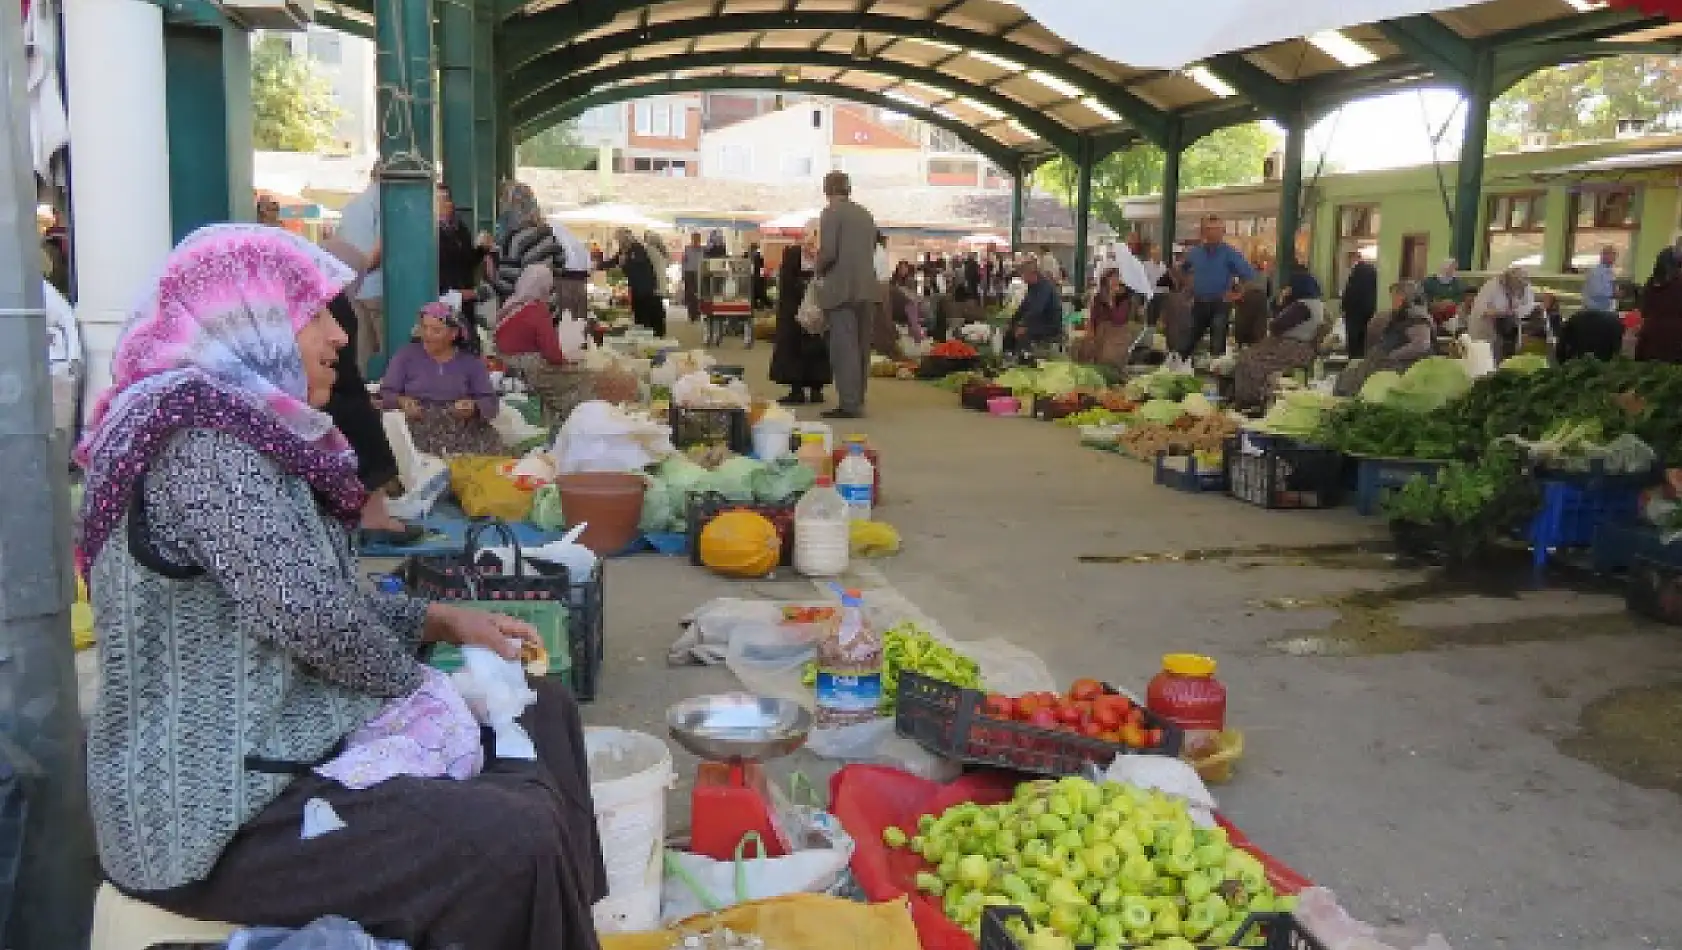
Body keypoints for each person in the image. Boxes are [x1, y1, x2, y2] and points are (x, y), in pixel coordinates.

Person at [77, 223, 605, 949]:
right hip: (215, 816)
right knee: (510, 841)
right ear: (247, 319)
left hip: (286, 748)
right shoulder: (198, 444)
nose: (337, 337)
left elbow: (320, 597)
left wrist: (444, 621)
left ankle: (572, 923)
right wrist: (422, 686)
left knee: (540, 711)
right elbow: (311, 615)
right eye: (316, 314)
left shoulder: (250, 434)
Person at [379, 300, 502, 457]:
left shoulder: (471, 363)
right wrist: (402, 401)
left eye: (436, 330)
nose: (427, 335)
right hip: (417, 426)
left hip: (461, 428)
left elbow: (490, 402)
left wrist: (473, 407)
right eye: (424, 328)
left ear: (453, 334)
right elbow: (386, 393)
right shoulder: (405, 356)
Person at [495, 264, 597, 425]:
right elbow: (552, 354)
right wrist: (569, 361)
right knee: (585, 377)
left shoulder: (512, 303)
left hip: (505, 362)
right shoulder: (537, 310)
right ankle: (576, 420)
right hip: (527, 368)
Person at [813, 171, 879, 420]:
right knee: (862, 348)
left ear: (826, 189)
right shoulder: (865, 214)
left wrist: (817, 269)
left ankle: (848, 403)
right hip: (867, 287)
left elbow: (829, 252)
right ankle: (858, 397)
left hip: (842, 289)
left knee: (844, 348)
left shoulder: (831, 213)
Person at [1233, 268, 1326, 409]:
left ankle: (1251, 400)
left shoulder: (1303, 306)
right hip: (1301, 348)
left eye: (1291, 285)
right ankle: (1256, 397)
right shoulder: (1317, 304)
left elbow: (1276, 326)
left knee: (1247, 360)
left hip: (1290, 349)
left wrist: (1282, 300)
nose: (1288, 288)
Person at [325, 163, 385, 374]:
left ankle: (364, 390)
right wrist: (365, 268)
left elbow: (340, 243)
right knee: (390, 347)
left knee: (361, 350)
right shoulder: (385, 203)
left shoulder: (351, 206)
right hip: (379, 287)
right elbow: (381, 245)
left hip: (353, 287)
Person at [1335, 281, 1436, 397]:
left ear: (1404, 297)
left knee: (1355, 379)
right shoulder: (1402, 315)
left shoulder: (1417, 317)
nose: (1392, 301)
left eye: (1394, 297)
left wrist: (1393, 356)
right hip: (1385, 361)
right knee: (1350, 373)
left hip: (1402, 367)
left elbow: (1422, 344)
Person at [1178, 216, 1256, 358]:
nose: (1211, 233)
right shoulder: (1194, 253)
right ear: (1202, 231)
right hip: (1199, 303)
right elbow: (1183, 270)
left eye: (1216, 229)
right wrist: (1188, 287)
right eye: (1208, 229)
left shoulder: (1230, 253)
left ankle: (1214, 376)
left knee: (1217, 346)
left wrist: (1237, 294)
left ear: (1222, 232)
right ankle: (1178, 372)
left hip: (1220, 304)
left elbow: (1249, 275)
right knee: (1186, 343)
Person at [769, 245, 831, 405]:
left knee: (798, 348)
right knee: (815, 347)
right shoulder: (821, 256)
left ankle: (799, 390)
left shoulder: (793, 255)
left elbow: (786, 284)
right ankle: (815, 389)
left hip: (797, 311)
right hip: (813, 309)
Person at [490, 182, 563, 310]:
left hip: (524, 313)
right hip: (548, 309)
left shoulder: (513, 240)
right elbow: (560, 267)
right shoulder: (549, 235)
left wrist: (492, 274)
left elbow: (506, 286)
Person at [1467, 265, 1537, 361]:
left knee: (1505, 359)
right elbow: (1480, 308)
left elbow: (1529, 305)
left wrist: (1516, 312)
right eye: (1515, 284)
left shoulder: (1525, 287)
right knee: (1486, 359)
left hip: (1509, 330)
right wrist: (1498, 312)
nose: (1517, 289)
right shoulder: (1492, 286)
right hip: (1485, 330)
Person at [601, 228, 664, 336]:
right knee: (640, 318)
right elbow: (613, 261)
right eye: (618, 241)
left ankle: (653, 340)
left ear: (627, 239)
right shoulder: (625, 251)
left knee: (647, 320)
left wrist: (623, 264)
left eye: (620, 241)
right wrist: (597, 265)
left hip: (646, 290)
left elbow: (634, 267)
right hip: (636, 290)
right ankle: (646, 339)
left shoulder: (637, 249)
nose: (619, 244)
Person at [1073, 269, 1133, 369]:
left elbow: (1119, 319)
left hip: (1116, 338)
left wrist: (1111, 303)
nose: (1115, 281)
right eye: (1112, 278)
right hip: (1099, 336)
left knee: (1109, 362)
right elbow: (1094, 317)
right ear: (1106, 281)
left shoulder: (1123, 298)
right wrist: (1091, 332)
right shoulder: (1099, 298)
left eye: (1117, 278)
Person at [1635, 246, 1682, 363]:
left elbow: (1644, 311)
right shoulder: (1679, 282)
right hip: (1676, 340)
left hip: (1650, 338)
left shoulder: (1651, 282)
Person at [1008, 258, 1063, 358]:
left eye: (1023, 275)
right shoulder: (1032, 286)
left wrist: (1024, 325)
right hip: (1039, 321)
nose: (1022, 278)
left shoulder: (1044, 287)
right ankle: (1011, 356)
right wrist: (1012, 321)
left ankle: (1026, 358)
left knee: (1022, 333)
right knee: (1011, 330)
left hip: (1049, 325)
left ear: (1032, 274)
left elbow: (1037, 309)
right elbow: (1024, 305)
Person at [552, 216, 592, 325]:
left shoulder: (556, 242)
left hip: (564, 284)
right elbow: (588, 265)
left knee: (567, 319)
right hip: (580, 284)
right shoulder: (574, 242)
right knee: (579, 318)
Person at [1340, 253, 1379, 358]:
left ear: (1354, 258)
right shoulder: (1372, 270)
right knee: (1364, 339)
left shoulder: (1358, 271)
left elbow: (1351, 292)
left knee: (1354, 341)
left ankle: (1353, 364)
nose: (1347, 263)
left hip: (1355, 311)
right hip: (1369, 309)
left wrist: (1344, 308)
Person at [1556, 306, 1626, 363]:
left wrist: (1561, 361)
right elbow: (1618, 348)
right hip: (1604, 360)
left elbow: (1561, 343)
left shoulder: (1574, 320)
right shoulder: (1613, 321)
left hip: (1579, 361)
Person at [1582, 245, 1620, 314]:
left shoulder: (1610, 272)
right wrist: (1615, 294)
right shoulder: (1595, 272)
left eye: (1615, 254)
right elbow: (1597, 292)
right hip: (1594, 312)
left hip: (1606, 311)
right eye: (1611, 254)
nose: (1614, 257)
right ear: (1603, 255)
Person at [681, 232, 705, 319]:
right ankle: (692, 313)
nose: (696, 241)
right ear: (692, 239)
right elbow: (684, 262)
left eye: (698, 239)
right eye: (694, 239)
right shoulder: (687, 249)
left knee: (699, 294)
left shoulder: (703, 249)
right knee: (690, 294)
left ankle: (698, 312)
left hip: (699, 273)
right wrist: (683, 275)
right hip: (689, 273)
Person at [748, 243, 772, 310]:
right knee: (759, 293)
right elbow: (761, 267)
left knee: (759, 293)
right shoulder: (757, 256)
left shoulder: (756, 256)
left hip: (757, 277)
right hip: (758, 277)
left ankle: (765, 305)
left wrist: (761, 276)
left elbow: (759, 267)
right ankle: (760, 306)